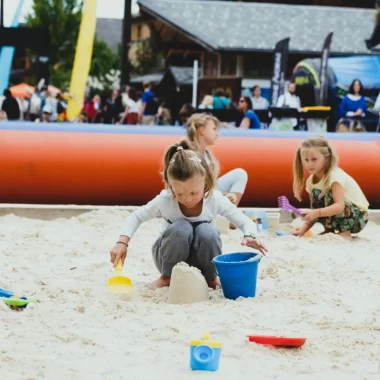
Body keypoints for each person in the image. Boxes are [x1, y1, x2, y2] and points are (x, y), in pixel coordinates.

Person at [109, 140, 267, 290]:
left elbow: (244, 221)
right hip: (168, 259)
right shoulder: (165, 200)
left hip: (203, 259)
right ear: (170, 186)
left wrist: (250, 234)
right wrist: (122, 242)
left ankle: (210, 277)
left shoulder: (214, 199)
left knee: (207, 230)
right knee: (181, 227)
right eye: (180, 193)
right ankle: (166, 278)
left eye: (194, 192)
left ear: (206, 182)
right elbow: (136, 216)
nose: (187, 199)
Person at [293, 137, 369, 240]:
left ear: (326, 158)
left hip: (358, 217)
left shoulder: (334, 176)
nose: (309, 164)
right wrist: (303, 230)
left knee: (328, 195)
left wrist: (316, 213)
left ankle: (345, 232)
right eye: (306, 160)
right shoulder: (311, 181)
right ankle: (329, 230)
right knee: (317, 196)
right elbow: (315, 209)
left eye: (314, 159)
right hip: (345, 213)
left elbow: (339, 206)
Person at [186, 113, 248, 209]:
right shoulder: (188, 156)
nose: (217, 133)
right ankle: (227, 214)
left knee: (240, 174)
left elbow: (209, 186)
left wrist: (223, 196)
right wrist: (221, 197)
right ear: (202, 131)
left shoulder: (207, 155)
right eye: (214, 129)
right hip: (194, 200)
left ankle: (230, 214)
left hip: (208, 194)